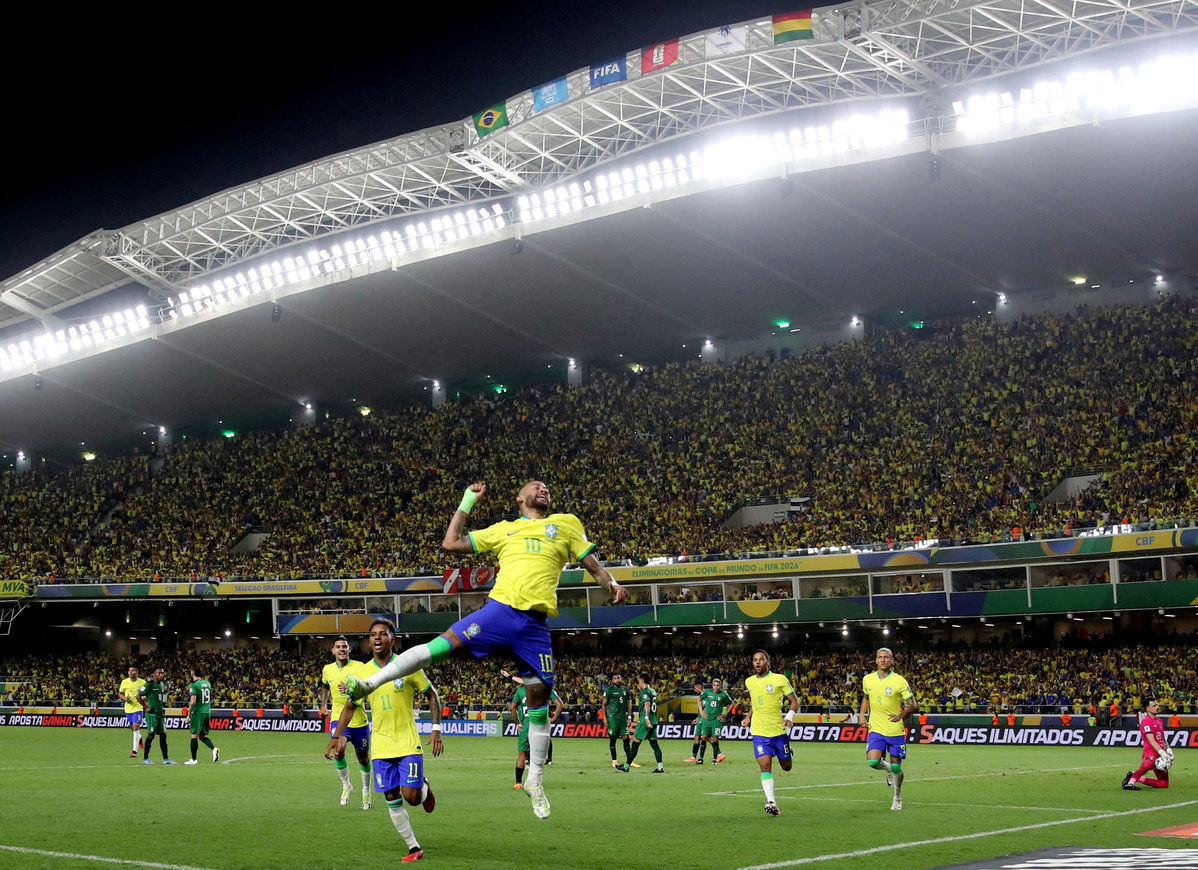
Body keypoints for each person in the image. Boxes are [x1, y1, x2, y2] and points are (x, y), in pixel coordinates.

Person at [347, 480, 626, 820]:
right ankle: (371, 683)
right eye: (534, 486)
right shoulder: (503, 530)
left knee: (540, 699)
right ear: (519, 498)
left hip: (535, 626)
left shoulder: (566, 523)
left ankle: (534, 782)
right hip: (499, 612)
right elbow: (450, 543)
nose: (542, 488)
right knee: (439, 646)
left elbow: (594, 567)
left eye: (545, 486)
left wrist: (611, 583)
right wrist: (467, 501)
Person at [327, 618, 443, 863]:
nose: (377, 637)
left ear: (393, 639)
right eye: (372, 634)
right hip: (380, 746)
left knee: (411, 797)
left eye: (383, 633)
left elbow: (431, 694)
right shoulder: (363, 673)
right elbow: (350, 706)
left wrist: (436, 728)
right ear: (369, 641)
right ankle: (414, 847)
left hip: (407, 743)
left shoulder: (408, 665)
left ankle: (423, 787)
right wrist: (337, 735)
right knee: (391, 797)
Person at [860, 647, 917, 811]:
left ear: (892, 660)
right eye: (880, 657)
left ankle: (897, 797)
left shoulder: (899, 681)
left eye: (886, 657)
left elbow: (914, 705)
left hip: (894, 729)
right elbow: (866, 697)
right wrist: (862, 714)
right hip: (875, 728)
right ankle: (888, 769)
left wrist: (902, 713)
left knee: (897, 767)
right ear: (876, 660)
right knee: (872, 761)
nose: (883, 660)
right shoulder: (868, 679)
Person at [743, 650, 798, 816]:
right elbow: (756, 704)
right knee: (765, 766)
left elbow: (795, 700)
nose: (757, 662)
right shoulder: (749, 682)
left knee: (786, 766)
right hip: (759, 732)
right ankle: (772, 802)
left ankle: (788, 754)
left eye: (761, 659)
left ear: (768, 662)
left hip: (778, 731)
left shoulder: (779, 679)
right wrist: (748, 717)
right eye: (754, 660)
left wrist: (789, 716)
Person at [319, 636, 372, 808]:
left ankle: (366, 790)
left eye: (344, 646)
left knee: (363, 759)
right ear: (333, 651)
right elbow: (326, 686)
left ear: (349, 650)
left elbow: (368, 686)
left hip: (359, 719)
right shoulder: (327, 669)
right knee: (339, 749)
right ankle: (346, 784)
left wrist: (351, 689)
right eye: (338, 647)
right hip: (337, 717)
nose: (341, 649)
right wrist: (323, 704)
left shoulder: (360, 667)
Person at [510, 682, 563, 789]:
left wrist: (518, 722)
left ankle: (518, 783)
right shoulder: (546, 689)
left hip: (527, 724)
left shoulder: (521, 690)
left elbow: (512, 707)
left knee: (522, 754)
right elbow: (560, 705)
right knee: (539, 756)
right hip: (541, 725)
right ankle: (535, 782)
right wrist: (553, 719)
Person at [1123, 695, 1172, 790]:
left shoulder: (1160, 721)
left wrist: (1168, 749)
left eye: (1157, 705)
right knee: (1146, 765)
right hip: (1151, 751)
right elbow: (1151, 740)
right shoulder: (1145, 722)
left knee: (1163, 784)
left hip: (1160, 752)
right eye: (1154, 706)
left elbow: (1162, 738)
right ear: (1147, 708)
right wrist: (1162, 752)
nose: (1157, 707)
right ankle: (1130, 783)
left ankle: (1136, 777)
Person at [620, 673, 664, 773]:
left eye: (639, 681)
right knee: (655, 744)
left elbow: (647, 704)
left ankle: (626, 766)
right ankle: (660, 767)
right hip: (654, 720)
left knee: (635, 743)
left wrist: (647, 718)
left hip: (645, 721)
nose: (638, 683)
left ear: (642, 681)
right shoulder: (653, 691)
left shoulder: (645, 692)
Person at [137, 666, 176, 765]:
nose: (161, 675)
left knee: (163, 735)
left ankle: (166, 759)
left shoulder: (162, 685)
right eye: (159, 673)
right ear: (154, 674)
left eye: (162, 673)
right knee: (151, 735)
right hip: (152, 714)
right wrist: (145, 707)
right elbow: (138, 696)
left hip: (160, 714)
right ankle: (145, 759)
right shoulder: (149, 684)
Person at [689, 678, 733, 764]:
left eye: (718, 685)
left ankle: (715, 758)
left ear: (720, 686)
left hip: (716, 720)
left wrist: (725, 714)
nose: (716, 687)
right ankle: (701, 758)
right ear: (712, 686)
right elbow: (699, 699)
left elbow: (732, 703)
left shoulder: (723, 695)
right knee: (704, 737)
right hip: (707, 719)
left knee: (715, 738)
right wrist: (701, 711)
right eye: (714, 685)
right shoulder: (707, 693)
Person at [184, 666, 219, 765]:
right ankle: (214, 748)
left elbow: (193, 701)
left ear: (193, 673)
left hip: (198, 712)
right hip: (207, 711)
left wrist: (188, 715)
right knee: (202, 735)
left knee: (193, 735)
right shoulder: (207, 683)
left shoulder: (194, 685)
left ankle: (194, 759)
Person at [603, 673, 633, 768]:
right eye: (615, 678)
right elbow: (604, 704)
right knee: (613, 738)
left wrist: (629, 717)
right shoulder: (609, 690)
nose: (617, 680)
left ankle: (629, 761)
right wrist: (605, 717)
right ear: (612, 681)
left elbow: (628, 705)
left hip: (623, 718)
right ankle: (614, 761)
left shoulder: (626, 690)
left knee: (626, 738)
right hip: (613, 717)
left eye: (619, 678)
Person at [118, 665, 146, 758]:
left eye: (133, 670)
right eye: (129, 670)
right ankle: (140, 738)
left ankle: (134, 751)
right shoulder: (124, 682)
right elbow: (120, 693)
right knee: (133, 728)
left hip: (138, 708)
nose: (130, 672)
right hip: (128, 709)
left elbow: (147, 693)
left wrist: (144, 698)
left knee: (135, 726)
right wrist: (125, 698)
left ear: (136, 672)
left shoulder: (142, 682)